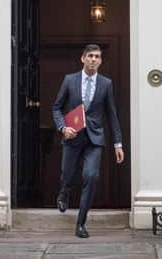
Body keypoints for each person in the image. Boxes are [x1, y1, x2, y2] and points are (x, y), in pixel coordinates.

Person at [52, 44, 124, 238]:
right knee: (67, 175)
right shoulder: (69, 80)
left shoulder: (106, 84)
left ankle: (81, 223)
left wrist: (118, 144)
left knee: (91, 177)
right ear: (83, 58)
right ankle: (64, 191)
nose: (93, 59)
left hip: (95, 139)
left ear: (100, 61)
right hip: (72, 137)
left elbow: (112, 115)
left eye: (97, 57)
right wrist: (62, 128)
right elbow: (57, 108)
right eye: (90, 56)